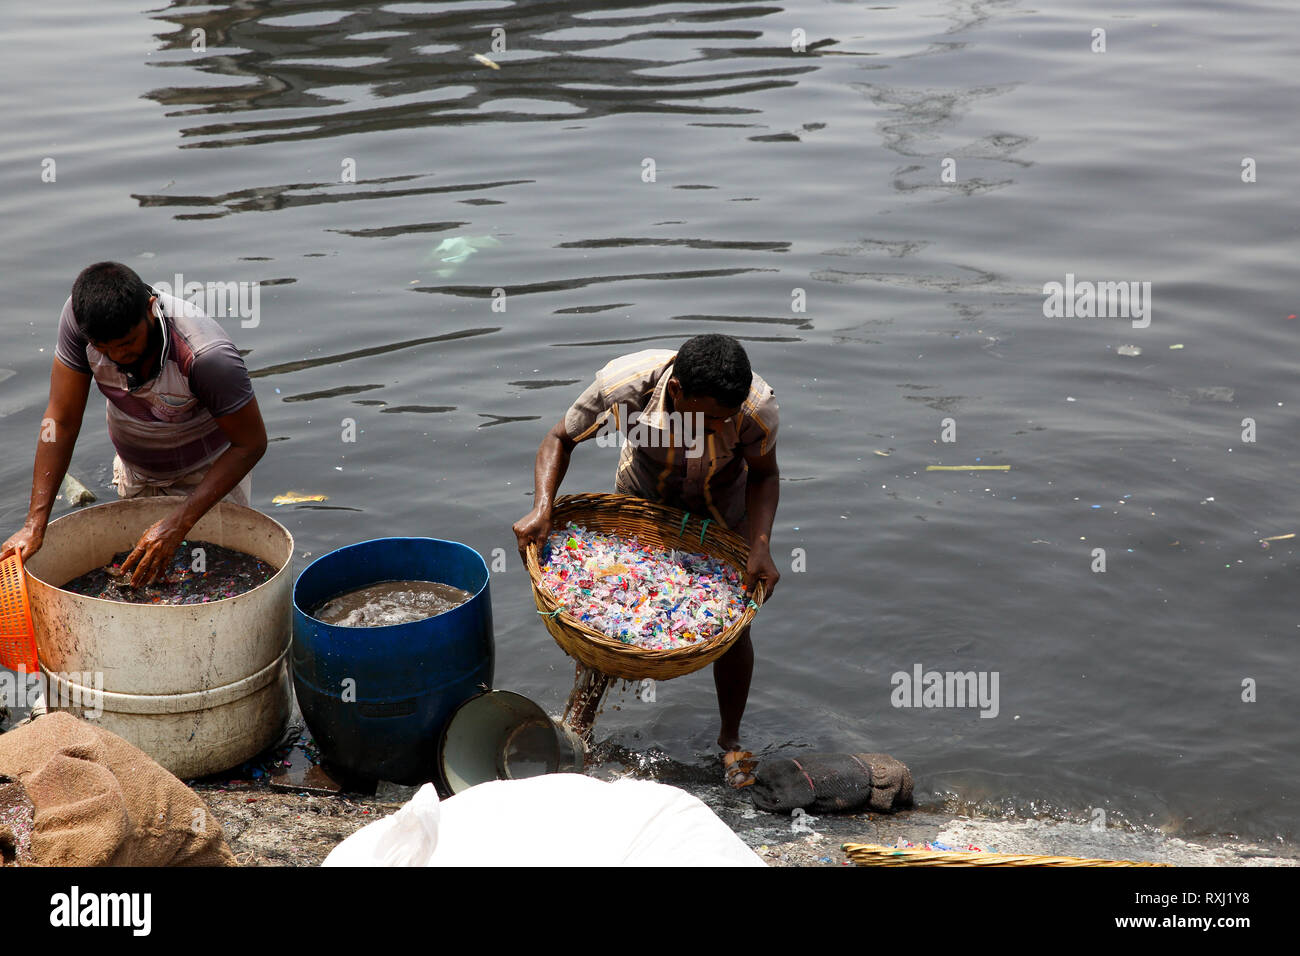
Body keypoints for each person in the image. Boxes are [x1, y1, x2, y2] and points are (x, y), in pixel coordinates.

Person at [512, 333, 780, 788]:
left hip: (720, 513)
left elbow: (764, 474)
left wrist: (759, 545)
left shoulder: (754, 410)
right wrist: (542, 508)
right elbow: (560, 438)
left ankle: (729, 741)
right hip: (643, 500)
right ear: (677, 392)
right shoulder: (626, 392)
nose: (719, 426)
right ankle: (579, 727)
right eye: (710, 417)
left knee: (735, 630)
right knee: (607, 624)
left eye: (726, 419)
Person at [1, 262, 266, 586]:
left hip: (207, 475)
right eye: (103, 348)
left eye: (127, 344)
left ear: (151, 310)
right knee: (139, 580)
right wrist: (35, 521)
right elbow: (61, 419)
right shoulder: (79, 320)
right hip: (136, 470)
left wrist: (178, 522)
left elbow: (250, 444)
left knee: (209, 580)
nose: (116, 356)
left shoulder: (207, 357)